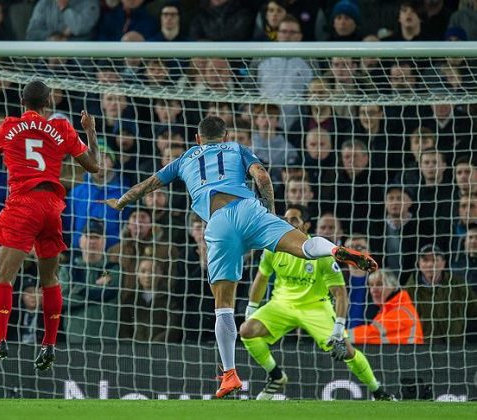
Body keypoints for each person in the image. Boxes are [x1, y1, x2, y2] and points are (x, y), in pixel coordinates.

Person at [103, 116, 378, 399]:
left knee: (223, 306)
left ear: (198, 139)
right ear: (224, 136)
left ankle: (230, 375)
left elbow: (149, 184)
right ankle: (335, 249)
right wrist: (269, 213)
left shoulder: (185, 158)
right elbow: (261, 176)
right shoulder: (236, 149)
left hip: (219, 223)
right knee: (305, 247)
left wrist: (121, 201)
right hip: (249, 210)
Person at [0, 80, 101, 371]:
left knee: (4, 277)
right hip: (52, 208)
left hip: (22, 204)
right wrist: (90, 130)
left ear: (21, 101)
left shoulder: (6, 127)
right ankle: (49, 344)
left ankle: (0, 340)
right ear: (48, 102)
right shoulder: (63, 128)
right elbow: (93, 165)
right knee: (50, 279)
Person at [239, 205, 393, 400]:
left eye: (294, 220)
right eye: (285, 219)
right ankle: (276, 376)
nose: (288, 223)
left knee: (346, 351)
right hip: (282, 304)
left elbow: (340, 293)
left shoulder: (321, 254)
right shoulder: (273, 248)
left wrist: (339, 327)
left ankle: (378, 392)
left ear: (306, 226)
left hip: (316, 306)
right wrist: (252, 307)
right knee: (246, 331)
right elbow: (261, 278)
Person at [350, 269, 424, 344]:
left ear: (393, 287)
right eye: (371, 285)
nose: (373, 290)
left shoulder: (401, 313)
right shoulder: (386, 312)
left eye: (379, 284)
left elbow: (371, 334)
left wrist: (342, 336)